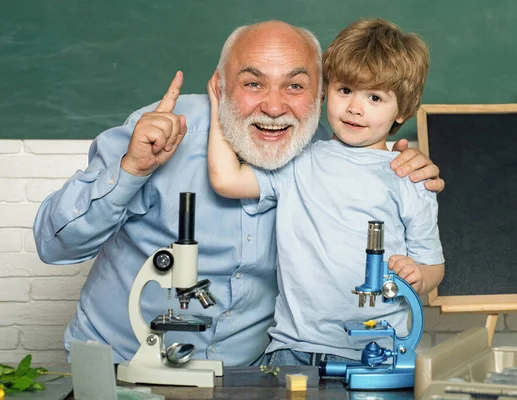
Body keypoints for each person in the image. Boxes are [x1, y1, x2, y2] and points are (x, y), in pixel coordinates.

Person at [33, 20, 444, 366]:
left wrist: (407, 169)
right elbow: (55, 246)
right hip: (122, 359)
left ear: (318, 91)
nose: (273, 106)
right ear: (221, 85)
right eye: (253, 83)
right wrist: (131, 169)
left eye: (295, 86)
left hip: (247, 375)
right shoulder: (162, 133)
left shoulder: (322, 152)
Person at [207, 18, 444, 366]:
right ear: (324, 91)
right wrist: (219, 104)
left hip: (377, 353)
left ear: (403, 110)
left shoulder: (408, 176)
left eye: (375, 97)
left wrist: (418, 276)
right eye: (345, 90)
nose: (355, 108)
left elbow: (433, 267)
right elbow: (226, 180)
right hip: (293, 349)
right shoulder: (296, 161)